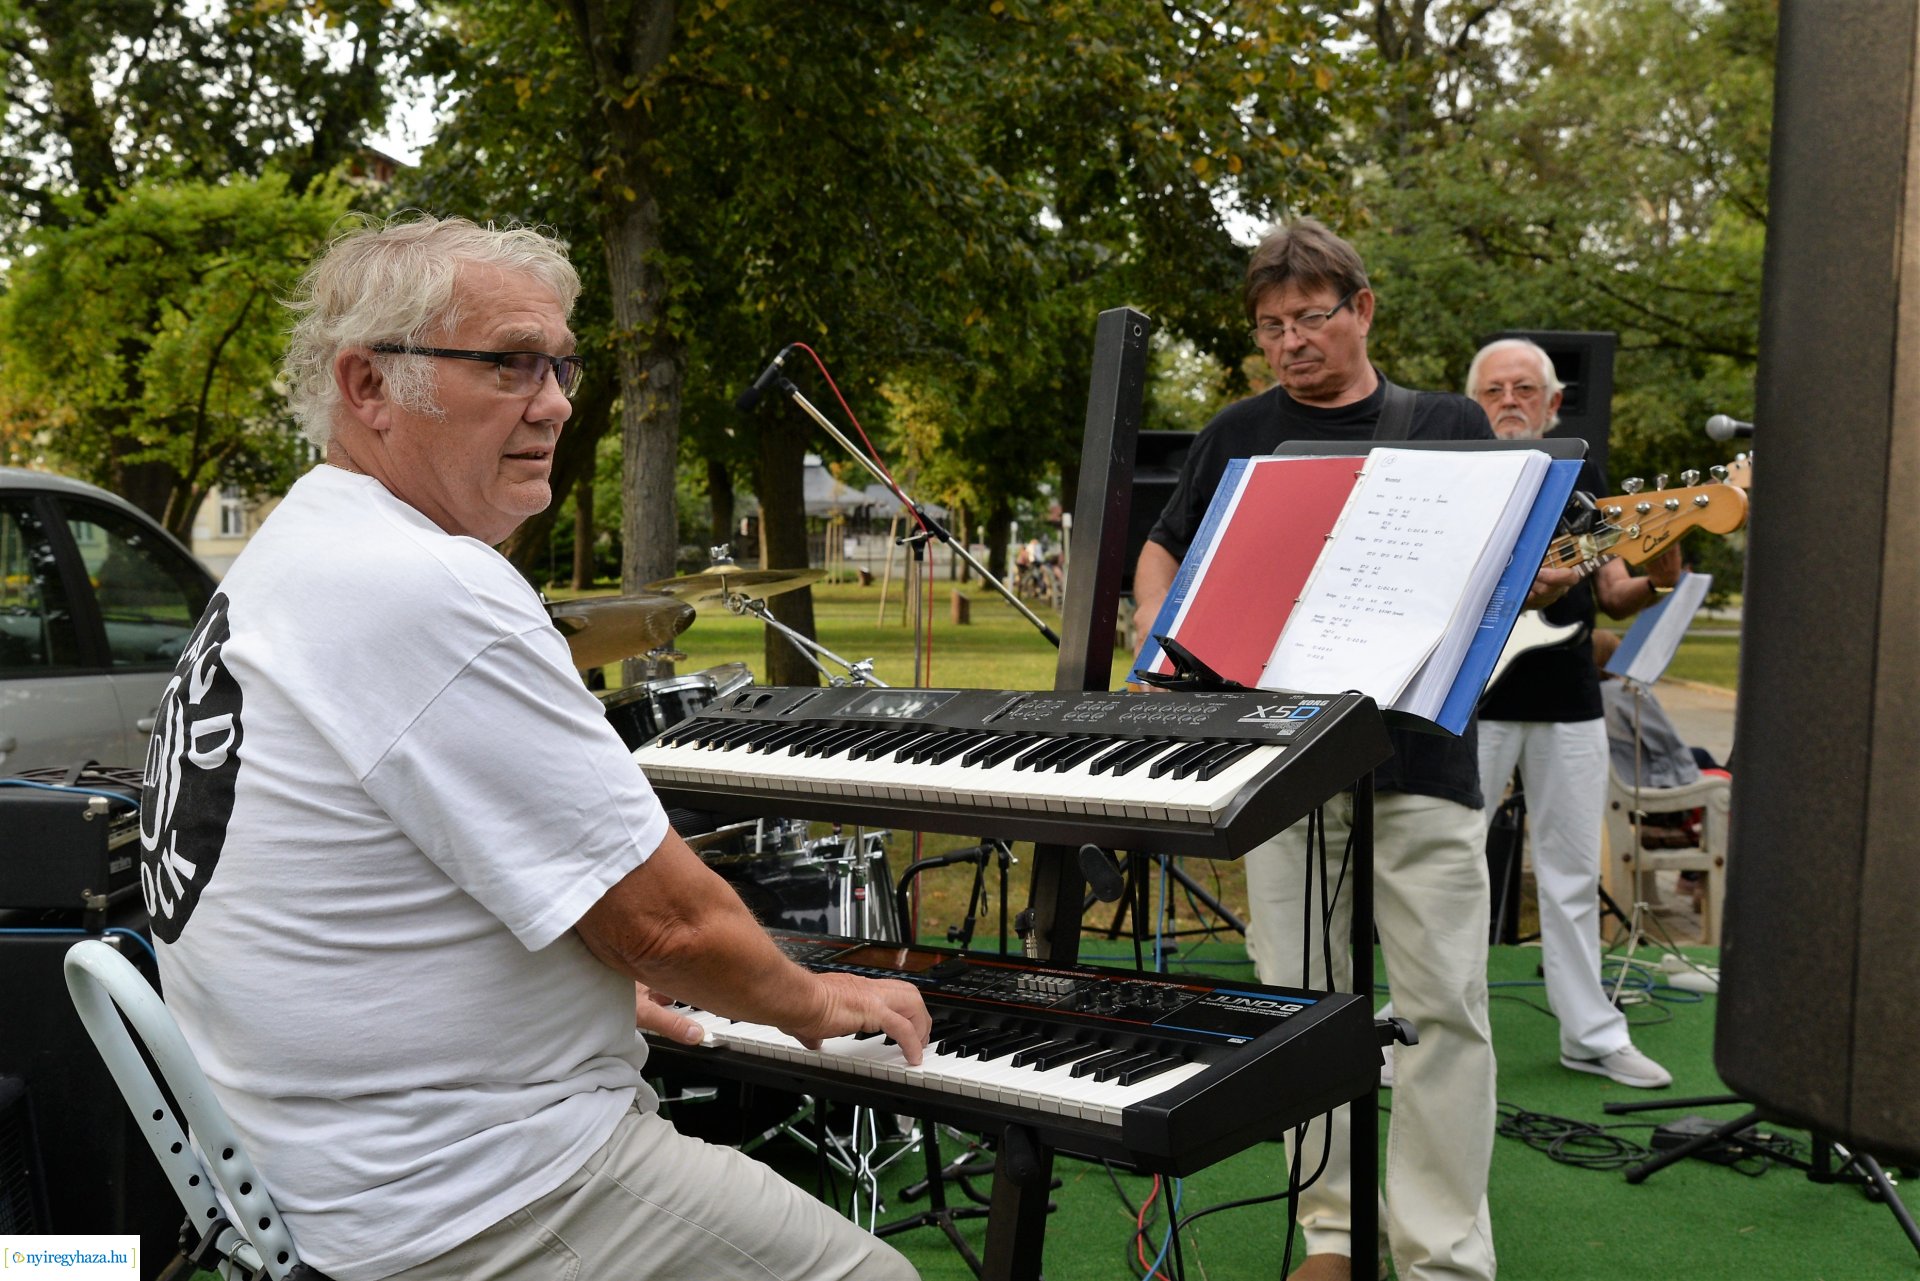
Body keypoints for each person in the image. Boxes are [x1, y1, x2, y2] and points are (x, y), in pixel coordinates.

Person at [137, 216, 929, 1281]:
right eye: (509, 362)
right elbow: (668, 926)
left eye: (561, 364)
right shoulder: (423, 585)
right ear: (368, 385)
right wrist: (824, 1002)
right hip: (475, 1195)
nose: (556, 401)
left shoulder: (292, 556)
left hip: (319, 1176)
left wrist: (569, 988)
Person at [1132, 219, 1571, 1281]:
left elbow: (1520, 567)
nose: (1290, 342)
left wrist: (1536, 578)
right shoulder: (1239, 431)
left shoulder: (1452, 423)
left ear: (1362, 308)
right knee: (1294, 1006)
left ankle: (1439, 1257)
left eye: (1311, 318)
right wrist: (1160, 650)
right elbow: (1165, 550)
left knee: (1441, 1010)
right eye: (1272, 327)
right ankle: (1333, 1232)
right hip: (1276, 766)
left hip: (1416, 762)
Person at [1468, 338, 1679, 1090]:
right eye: (1494, 390)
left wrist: (1663, 570)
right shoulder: (1456, 472)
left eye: (1526, 388)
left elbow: (1617, 591)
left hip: (1567, 697)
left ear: (1554, 403)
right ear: (1475, 402)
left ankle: (1590, 1033)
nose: (1509, 401)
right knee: (1450, 871)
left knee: (1569, 872)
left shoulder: (1582, 478)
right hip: (1473, 700)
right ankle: (1425, 1033)